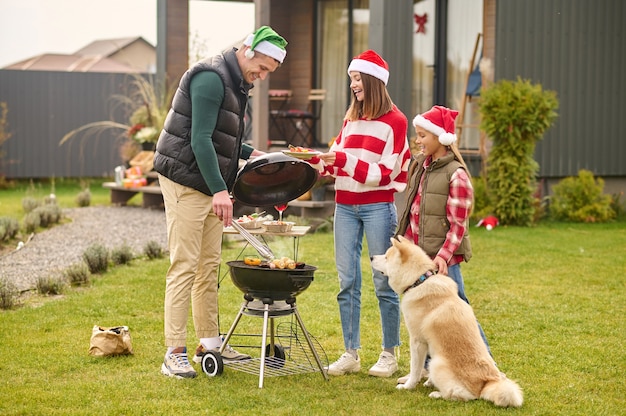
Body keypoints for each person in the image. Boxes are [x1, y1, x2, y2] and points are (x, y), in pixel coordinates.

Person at [152, 26, 288, 379]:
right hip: (185, 178)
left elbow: (221, 136)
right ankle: (174, 352)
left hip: (209, 180)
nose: (262, 77)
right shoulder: (211, 78)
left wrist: (251, 153)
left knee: (208, 265)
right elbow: (199, 140)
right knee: (184, 264)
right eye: (262, 68)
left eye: (269, 72)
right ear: (248, 50)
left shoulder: (237, 82)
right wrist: (218, 191)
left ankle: (209, 344)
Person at [312, 50, 411, 378]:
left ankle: (389, 353)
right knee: (347, 281)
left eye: (357, 79)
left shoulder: (395, 122)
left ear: (373, 81)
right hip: (345, 206)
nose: (353, 85)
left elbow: (385, 174)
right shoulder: (350, 118)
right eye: (351, 79)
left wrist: (341, 162)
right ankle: (350, 352)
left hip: (377, 208)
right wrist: (321, 162)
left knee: (385, 280)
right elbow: (340, 155)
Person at [395, 105, 492, 381]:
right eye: (417, 135)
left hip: (443, 260)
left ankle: (484, 367)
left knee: (459, 309)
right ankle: (427, 370)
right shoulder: (421, 167)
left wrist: (444, 256)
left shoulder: (456, 174)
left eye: (423, 135)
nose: (418, 140)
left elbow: (458, 224)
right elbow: (413, 211)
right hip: (422, 258)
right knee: (425, 314)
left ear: (440, 137)